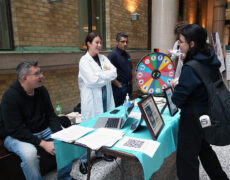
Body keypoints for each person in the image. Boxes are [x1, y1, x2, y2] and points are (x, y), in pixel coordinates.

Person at [171, 24, 229, 180]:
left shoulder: (190, 68)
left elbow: (178, 99)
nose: (179, 44)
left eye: (181, 41)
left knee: (187, 161)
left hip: (192, 118)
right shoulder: (210, 57)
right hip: (207, 114)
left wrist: (176, 86)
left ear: (192, 44)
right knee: (204, 150)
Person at [1, 61, 74, 180]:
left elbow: (51, 115)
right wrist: (43, 144)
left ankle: (65, 177)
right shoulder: (10, 97)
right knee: (30, 154)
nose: (42, 76)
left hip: (41, 129)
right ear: (25, 78)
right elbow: (15, 129)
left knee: (65, 141)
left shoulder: (41, 90)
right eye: (37, 74)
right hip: (15, 134)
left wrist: (59, 135)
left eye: (41, 72)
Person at [78, 32, 117, 174]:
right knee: (88, 130)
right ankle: (84, 160)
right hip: (92, 101)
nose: (99, 45)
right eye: (97, 43)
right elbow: (92, 81)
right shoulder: (84, 61)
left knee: (104, 126)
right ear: (88, 43)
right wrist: (106, 76)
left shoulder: (103, 58)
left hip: (106, 98)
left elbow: (114, 72)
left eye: (100, 43)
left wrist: (101, 75)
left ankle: (101, 152)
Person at [108, 32, 132, 107]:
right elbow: (108, 73)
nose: (125, 44)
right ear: (117, 42)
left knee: (127, 107)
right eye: (123, 42)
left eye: (126, 42)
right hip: (119, 87)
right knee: (119, 108)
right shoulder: (113, 55)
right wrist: (118, 84)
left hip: (128, 86)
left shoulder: (127, 54)